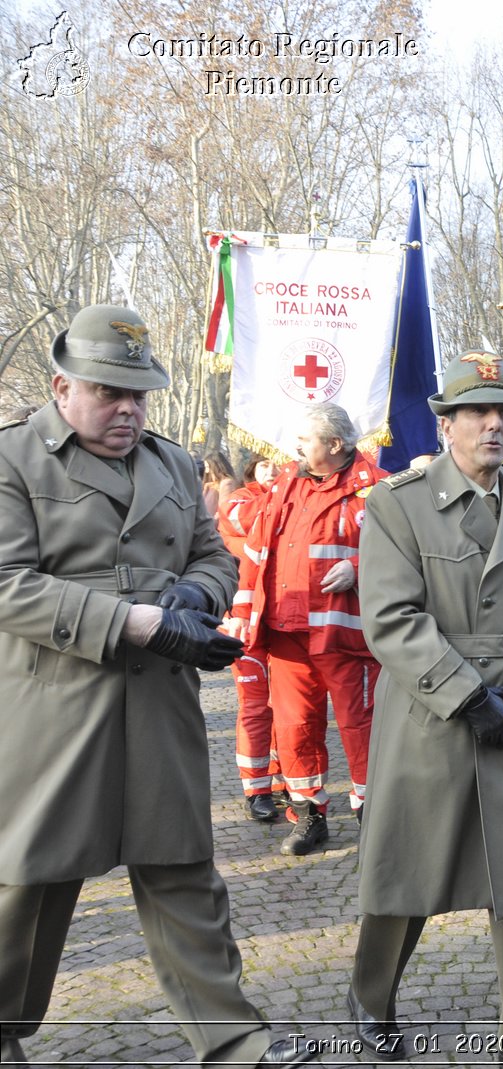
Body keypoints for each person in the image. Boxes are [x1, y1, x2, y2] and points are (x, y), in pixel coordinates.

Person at [0, 304, 310, 1068]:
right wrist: (133, 619)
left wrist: (196, 598)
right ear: (61, 387)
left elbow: (216, 554)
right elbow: (8, 584)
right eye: (109, 391)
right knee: (27, 885)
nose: (128, 408)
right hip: (54, 709)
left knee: (183, 873)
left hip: (159, 707)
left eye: (138, 393)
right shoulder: (14, 460)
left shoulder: (171, 463)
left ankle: (236, 1044)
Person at [347, 350, 503, 1066]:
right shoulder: (397, 504)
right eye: (478, 412)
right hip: (430, 716)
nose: (494, 425)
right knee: (406, 874)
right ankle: (370, 996)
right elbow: (391, 618)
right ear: (446, 423)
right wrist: (468, 695)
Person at [229, 404, 386, 855]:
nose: (295, 447)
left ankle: (373, 815)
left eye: (305, 440)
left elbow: (408, 549)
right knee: (294, 728)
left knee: (362, 728)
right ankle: (308, 813)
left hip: (345, 637)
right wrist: (244, 614)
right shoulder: (284, 485)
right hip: (285, 634)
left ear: (335, 445)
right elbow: (256, 552)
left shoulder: (377, 488)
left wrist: (359, 565)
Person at [219, 452, 287, 821]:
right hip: (244, 626)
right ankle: (256, 787)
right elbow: (248, 519)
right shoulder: (239, 500)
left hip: (285, 623)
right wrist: (291, 490)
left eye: (280, 462)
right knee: (256, 708)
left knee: (288, 710)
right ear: (251, 469)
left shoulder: (297, 499)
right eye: (265, 464)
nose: (273, 470)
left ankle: (284, 781)